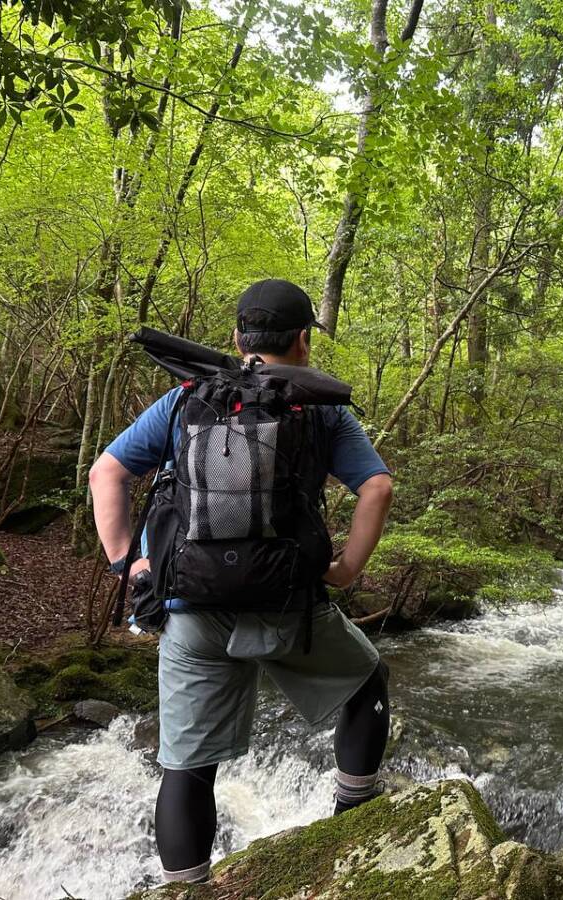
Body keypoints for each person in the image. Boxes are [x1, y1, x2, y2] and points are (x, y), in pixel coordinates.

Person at [89, 279, 394, 885]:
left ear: (237, 337)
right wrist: (346, 570)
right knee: (367, 682)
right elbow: (377, 488)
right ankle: (355, 816)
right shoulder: (322, 407)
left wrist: (130, 563)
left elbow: (107, 474)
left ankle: (187, 890)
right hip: (289, 604)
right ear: (304, 341)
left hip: (192, 606)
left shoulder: (184, 399)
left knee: (188, 766)